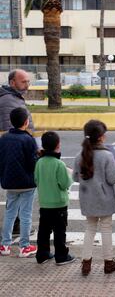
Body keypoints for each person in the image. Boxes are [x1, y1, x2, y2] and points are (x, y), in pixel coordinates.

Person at [73, 120, 115, 276]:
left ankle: (86, 264)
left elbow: (75, 177)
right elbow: (113, 178)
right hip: (105, 199)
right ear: (101, 137)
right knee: (106, 229)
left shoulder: (79, 155)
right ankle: (109, 262)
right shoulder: (107, 155)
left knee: (90, 228)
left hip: (88, 198)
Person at [0, 69, 35, 236]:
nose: (27, 85)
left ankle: (13, 229)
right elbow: (11, 130)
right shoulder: (8, 100)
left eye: (28, 81)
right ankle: (20, 233)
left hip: (17, 153)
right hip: (17, 155)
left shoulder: (14, 97)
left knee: (14, 198)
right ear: (13, 82)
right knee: (19, 197)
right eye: (24, 82)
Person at [0, 107, 38, 257]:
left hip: (9, 182)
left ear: (11, 121)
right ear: (26, 122)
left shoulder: (3, 139)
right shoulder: (28, 140)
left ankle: (5, 245)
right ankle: (24, 246)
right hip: (27, 183)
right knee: (26, 214)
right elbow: (32, 163)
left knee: (10, 213)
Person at [35, 131, 75, 265]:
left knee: (44, 230)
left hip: (45, 202)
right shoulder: (59, 164)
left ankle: (42, 254)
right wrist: (70, 176)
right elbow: (64, 183)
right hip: (59, 203)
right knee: (59, 231)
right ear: (58, 145)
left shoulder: (39, 162)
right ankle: (61, 255)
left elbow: (36, 179)